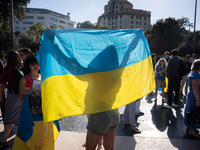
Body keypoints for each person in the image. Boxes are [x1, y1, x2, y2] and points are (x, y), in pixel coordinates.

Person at [12, 54, 59, 150]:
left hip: (43, 115)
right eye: (33, 63)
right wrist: (23, 92)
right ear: (29, 65)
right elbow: (20, 98)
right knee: (30, 139)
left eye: (37, 63)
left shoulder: (45, 77)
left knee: (43, 141)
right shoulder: (24, 79)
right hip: (30, 116)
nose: (35, 65)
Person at [0, 50, 23, 149]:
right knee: (21, 118)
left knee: (9, 120)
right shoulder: (22, 68)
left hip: (12, 96)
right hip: (22, 95)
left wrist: (0, 97)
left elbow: (1, 85)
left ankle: (3, 142)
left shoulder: (7, 69)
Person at [184, 59, 200, 138]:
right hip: (194, 96)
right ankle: (192, 130)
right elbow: (195, 88)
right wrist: (198, 99)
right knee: (194, 112)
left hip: (191, 95)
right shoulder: (196, 74)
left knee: (191, 111)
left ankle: (190, 127)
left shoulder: (192, 73)